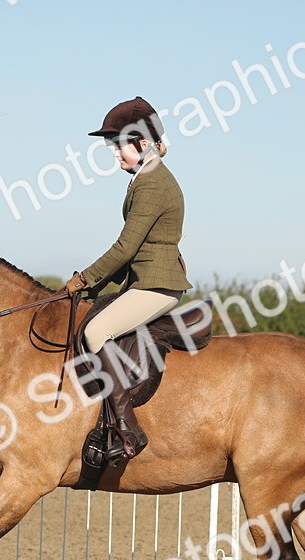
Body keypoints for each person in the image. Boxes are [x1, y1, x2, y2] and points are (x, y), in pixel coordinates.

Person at [64, 97, 192, 460]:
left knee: (94, 332)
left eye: (119, 145)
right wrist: (94, 287)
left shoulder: (152, 184)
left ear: (142, 142)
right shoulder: (145, 179)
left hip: (158, 283)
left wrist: (83, 280)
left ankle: (127, 431)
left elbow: (125, 247)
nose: (116, 154)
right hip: (144, 279)